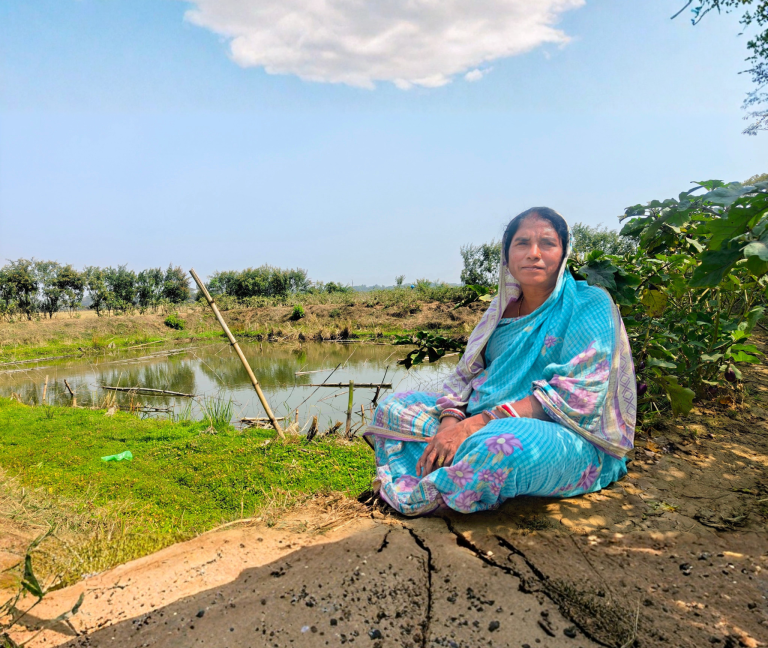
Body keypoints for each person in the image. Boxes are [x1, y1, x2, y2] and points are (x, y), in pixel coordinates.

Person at [363, 207, 636, 516]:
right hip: (480, 420)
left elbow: (579, 396)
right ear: (507, 255)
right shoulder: (500, 309)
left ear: (563, 252)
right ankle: (458, 475)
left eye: (547, 243)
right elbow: (466, 376)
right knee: (395, 408)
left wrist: (472, 427)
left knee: (502, 445)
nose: (534, 253)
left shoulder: (589, 303)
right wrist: (451, 424)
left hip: (559, 433)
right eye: (522, 243)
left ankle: (441, 487)